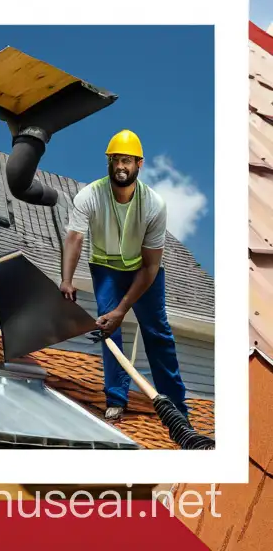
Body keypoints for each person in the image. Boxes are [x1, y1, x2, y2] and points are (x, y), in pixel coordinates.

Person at [60, 130, 189, 422]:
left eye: (127, 161)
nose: (121, 166)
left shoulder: (154, 205)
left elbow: (151, 267)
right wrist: (66, 279)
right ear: (108, 162)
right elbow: (74, 239)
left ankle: (176, 408)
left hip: (144, 269)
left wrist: (122, 309)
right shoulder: (89, 195)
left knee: (157, 332)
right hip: (106, 268)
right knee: (109, 330)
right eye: (116, 160)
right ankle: (116, 398)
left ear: (139, 164)